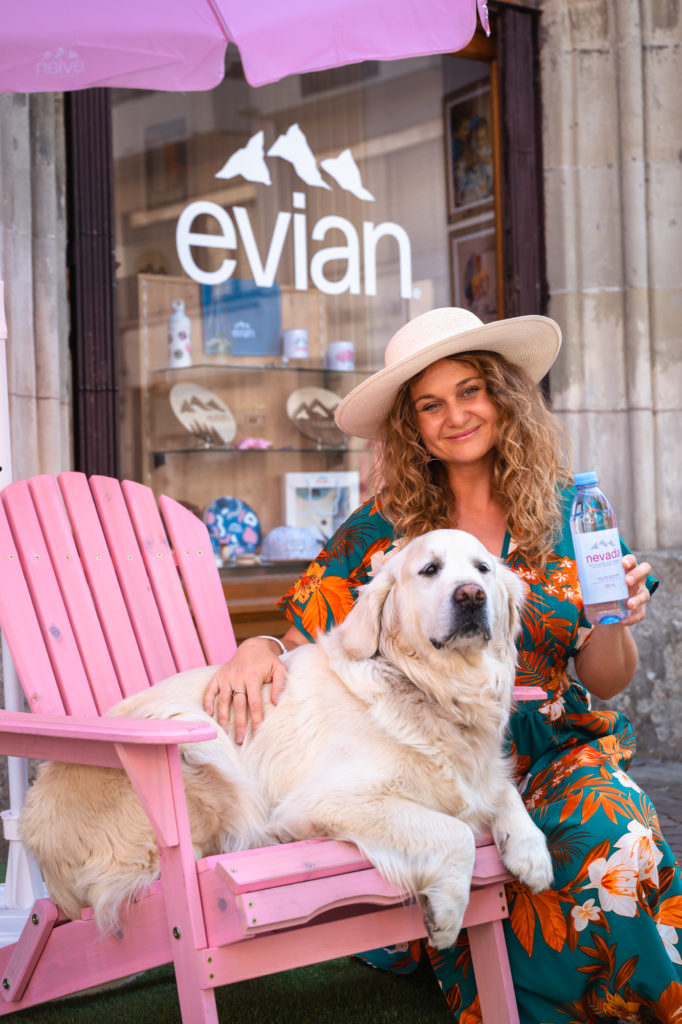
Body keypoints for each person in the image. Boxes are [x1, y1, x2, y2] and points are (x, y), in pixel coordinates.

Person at [205, 308, 682, 1022]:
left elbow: (607, 678)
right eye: (431, 404)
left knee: (614, 837)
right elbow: (312, 641)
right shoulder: (379, 528)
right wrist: (257, 647)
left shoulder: (571, 514)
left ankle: (650, 1005)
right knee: (507, 884)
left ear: (503, 399)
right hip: (421, 755)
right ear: (411, 426)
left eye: (471, 391)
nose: (455, 414)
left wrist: (616, 618)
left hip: (552, 746)